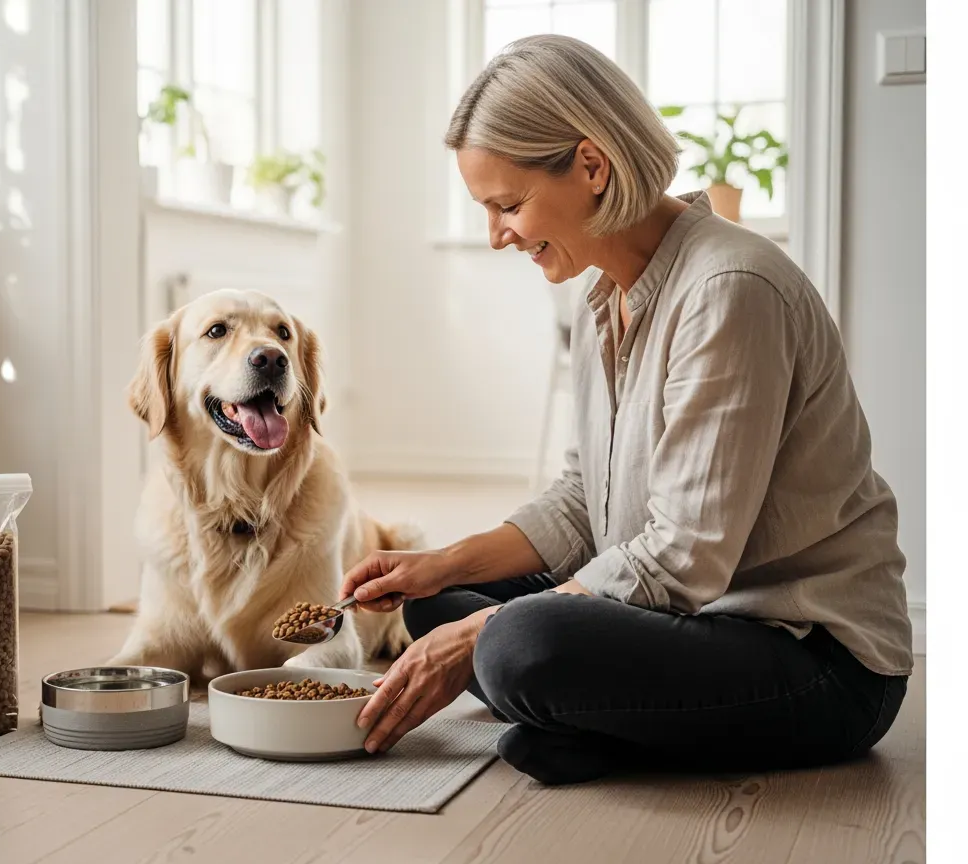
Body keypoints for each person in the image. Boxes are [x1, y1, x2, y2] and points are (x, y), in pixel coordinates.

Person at [342, 34, 913, 786]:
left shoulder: (730, 288)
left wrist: (486, 634)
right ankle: (601, 723)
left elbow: (682, 555)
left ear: (591, 165)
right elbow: (586, 502)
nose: (496, 235)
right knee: (434, 609)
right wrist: (438, 565)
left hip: (811, 659)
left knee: (513, 646)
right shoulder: (601, 298)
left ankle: (588, 718)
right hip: (693, 622)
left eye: (508, 205)